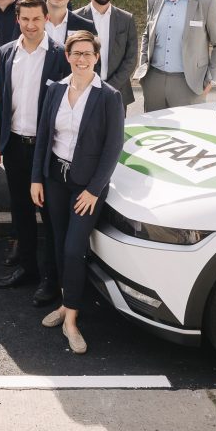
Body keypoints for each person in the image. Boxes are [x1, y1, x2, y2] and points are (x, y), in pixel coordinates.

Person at [30, 31, 124, 354]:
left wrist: (95, 190)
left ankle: (72, 319)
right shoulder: (55, 89)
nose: (81, 59)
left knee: (74, 248)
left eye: (87, 54)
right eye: (76, 53)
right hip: (55, 177)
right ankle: (64, 304)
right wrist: (36, 178)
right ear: (67, 56)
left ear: (96, 57)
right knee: (57, 244)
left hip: (86, 187)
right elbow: (44, 134)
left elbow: (113, 148)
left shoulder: (108, 96)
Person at [0, 0, 69, 294]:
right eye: (25, 19)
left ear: (46, 18)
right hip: (15, 145)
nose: (31, 25)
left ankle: (50, 278)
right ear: (17, 19)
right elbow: (0, 100)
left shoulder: (60, 56)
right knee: (21, 210)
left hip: (46, 150)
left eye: (36, 19)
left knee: (49, 214)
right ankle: (27, 267)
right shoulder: (8, 52)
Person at [135, 0, 216, 112]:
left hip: (189, 84)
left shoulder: (207, 2)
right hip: (154, 82)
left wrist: (212, 79)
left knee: (186, 134)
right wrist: (143, 66)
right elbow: (147, 35)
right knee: (155, 133)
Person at [75, 0, 138, 110]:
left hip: (117, 93)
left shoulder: (126, 19)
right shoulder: (76, 17)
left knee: (116, 133)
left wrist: (110, 87)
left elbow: (131, 58)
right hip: (83, 92)